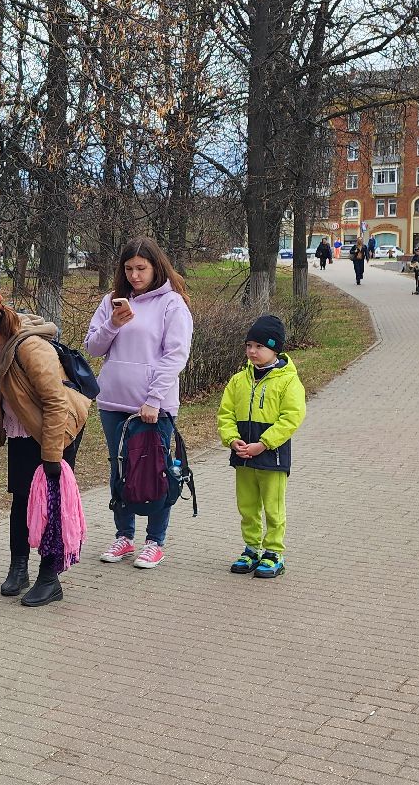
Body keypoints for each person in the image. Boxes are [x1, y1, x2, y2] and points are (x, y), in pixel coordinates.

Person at [0, 295, 92, 607]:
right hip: (23, 427)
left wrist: (52, 455)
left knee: (51, 502)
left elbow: (55, 402)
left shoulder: (32, 348)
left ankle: (50, 577)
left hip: (55, 430)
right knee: (22, 497)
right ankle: (18, 567)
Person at [84, 237, 194, 570]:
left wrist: (154, 399)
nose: (134, 275)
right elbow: (93, 347)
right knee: (120, 470)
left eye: (141, 268)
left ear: (156, 267)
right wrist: (113, 324)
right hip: (113, 401)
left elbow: (175, 355)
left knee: (154, 471)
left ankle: (155, 541)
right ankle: (124, 536)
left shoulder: (172, 304)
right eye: (129, 268)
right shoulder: (112, 302)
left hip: (152, 407)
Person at [216, 315, 306, 581]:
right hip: (243, 456)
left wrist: (264, 444)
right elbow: (225, 414)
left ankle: (274, 551)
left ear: (275, 349)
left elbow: (291, 417)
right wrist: (232, 439)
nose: (252, 351)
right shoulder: (238, 380)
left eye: (259, 346)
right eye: (249, 345)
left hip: (272, 457)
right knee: (247, 505)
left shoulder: (288, 381)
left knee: (273, 507)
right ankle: (252, 548)